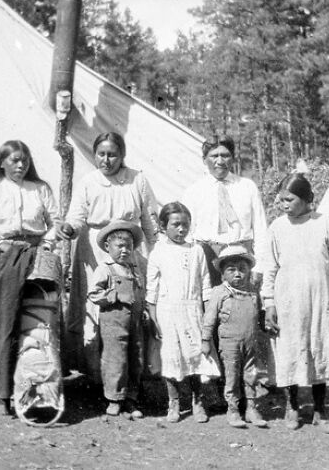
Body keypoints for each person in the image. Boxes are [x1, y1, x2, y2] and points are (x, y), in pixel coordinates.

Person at [58, 132, 159, 380]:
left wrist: (157, 254)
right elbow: (76, 217)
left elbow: (149, 220)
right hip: (95, 251)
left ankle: (131, 374)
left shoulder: (138, 180)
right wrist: (69, 228)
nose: (106, 160)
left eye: (112, 154)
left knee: (128, 305)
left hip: (129, 247)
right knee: (97, 305)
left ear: (122, 155)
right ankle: (95, 371)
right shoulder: (88, 182)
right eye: (101, 154)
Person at [0, 140, 59, 414]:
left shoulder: (40, 189)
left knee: (36, 320)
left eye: (25, 161)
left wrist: (45, 244)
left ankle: (37, 384)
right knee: (0, 320)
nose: (21, 165)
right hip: (4, 255)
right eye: (15, 161)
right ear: (1, 163)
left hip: (36, 255)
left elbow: (55, 221)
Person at [261, 171, 329, 434]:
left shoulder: (325, 224)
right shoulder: (277, 227)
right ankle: (292, 406)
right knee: (290, 350)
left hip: (319, 300)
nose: (283, 204)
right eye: (281, 200)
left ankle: (320, 410)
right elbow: (270, 268)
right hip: (288, 301)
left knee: (318, 348)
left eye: (289, 199)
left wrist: (316, 281)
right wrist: (269, 304)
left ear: (307, 198)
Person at [145, 202, 221, 423]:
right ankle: (174, 401)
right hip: (167, 312)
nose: (181, 229)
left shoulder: (197, 251)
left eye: (185, 225)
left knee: (197, 356)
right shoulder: (158, 253)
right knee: (171, 357)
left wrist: (207, 315)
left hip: (193, 310)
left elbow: (205, 284)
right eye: (176, 224)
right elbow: (152, 290)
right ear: (162, 226)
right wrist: (154, 318)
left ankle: (198, 401)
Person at [180, 135, 268, 287]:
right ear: (204, 160)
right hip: (207, 257)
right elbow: (188, 234)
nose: (220, 161)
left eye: (225, 155)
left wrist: (259, 267)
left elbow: (261, 230)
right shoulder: (193, 191)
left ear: (233, 158)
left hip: (241, 259)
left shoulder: (247, 187)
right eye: (214, 156)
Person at [202, 245, 267, 428]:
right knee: (231, 376)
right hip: (230, 343)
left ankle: (252, 408)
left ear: (249, 271)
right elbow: (209, 318)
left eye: (242, 269)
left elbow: (259, 314)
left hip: (250, 343)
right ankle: (233, 410)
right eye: (231, 270)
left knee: (251, 375)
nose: (238, 274)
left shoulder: (253, 291)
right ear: (222, 273)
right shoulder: (220, 292)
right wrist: (206, 340)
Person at [88, 220, 146, 419]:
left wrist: (143, 308)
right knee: (116, 360)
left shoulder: (134, 269)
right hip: (114, 323)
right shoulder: (105, 268)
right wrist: (115, 296)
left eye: (128, 246)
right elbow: (94, 294)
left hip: (135, 322)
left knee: (135, 358)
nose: (124, 250)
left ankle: (131, 398)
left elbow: (140, 292)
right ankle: (114, 399)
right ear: (107, 247)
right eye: (119, 246)